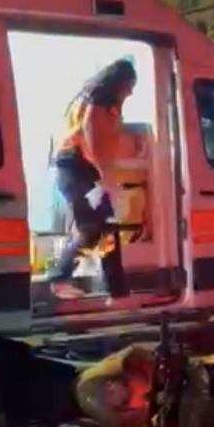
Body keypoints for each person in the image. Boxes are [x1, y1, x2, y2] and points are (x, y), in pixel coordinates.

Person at [49, 59, 137, 301]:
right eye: (130, 85)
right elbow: (91, 134)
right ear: (119, 82)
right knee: (91, 228)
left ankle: (118, 291)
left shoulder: (97, 100)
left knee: (107, 226)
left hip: (83, 168)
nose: (131, 92)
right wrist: (104, 174)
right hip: (77, 167)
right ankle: (59, 277)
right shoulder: (99, 101)